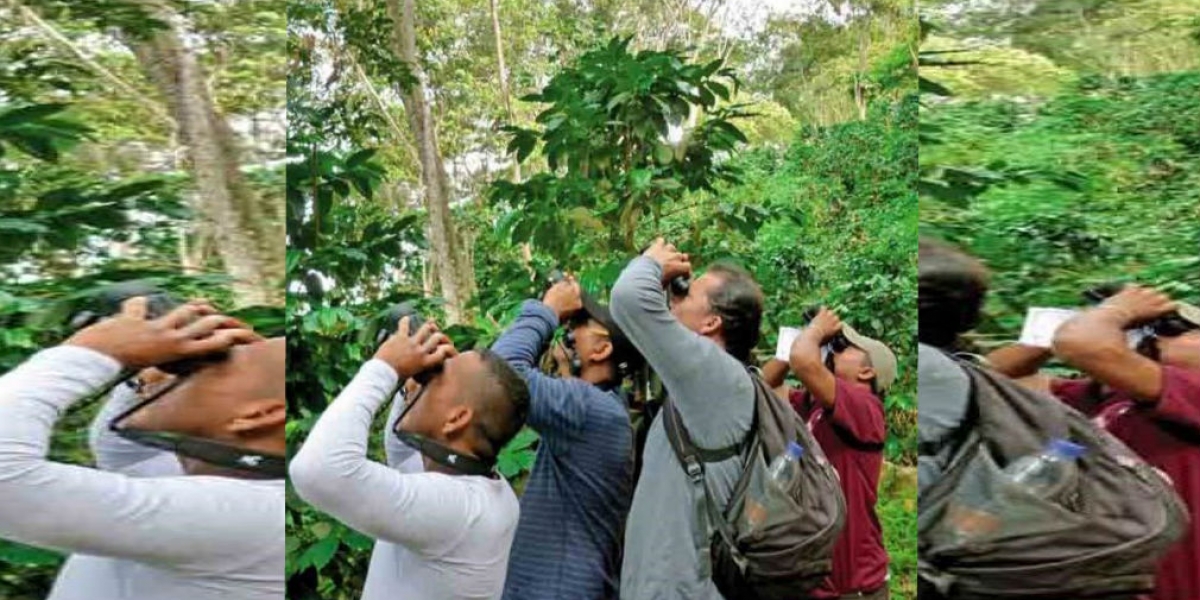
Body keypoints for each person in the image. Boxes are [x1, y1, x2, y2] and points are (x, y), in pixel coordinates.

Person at [0, 297, 284, 600]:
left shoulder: (257, 516)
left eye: (220, 361)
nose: (193, 361)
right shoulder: (241, 479)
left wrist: (94, 351)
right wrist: (145, 369)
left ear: (257, 416)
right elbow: (126, 454)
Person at [289, 317, 531, 600]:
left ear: (456, 419)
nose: (426, 376)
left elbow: (316, 471)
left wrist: (385, 366)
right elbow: (403, 457)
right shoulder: (486, 489)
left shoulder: (460, 510)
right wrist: (412, 385)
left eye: (437, 378)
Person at [985, 286, 1200, 600]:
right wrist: (1067, 329)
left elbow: (1081, 345)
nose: (1153, 336)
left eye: (1173, 329)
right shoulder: (1106, 398)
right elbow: (987, 381)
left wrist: (1116, 312)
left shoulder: (1192, 393)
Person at [609, 237, 763, 600]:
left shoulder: (717, 378)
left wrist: (653, 262)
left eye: (685, 294)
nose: (673, 298)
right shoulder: (707, 385)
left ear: (711, 322)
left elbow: (628, 298)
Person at [491, 275, 637, 600]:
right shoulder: (605, 408)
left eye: (581, 324)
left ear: (602, 349)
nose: (569, 330)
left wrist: (549, 311)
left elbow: (497, 373)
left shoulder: (587, 410)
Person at [762, 307, 896, 600]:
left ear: (867, 371)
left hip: (853, 586)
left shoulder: (866, 407)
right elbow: (765, 386)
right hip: (816, 580)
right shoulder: (816, 408)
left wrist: (815, 333)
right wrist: (796, 346)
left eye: (843, 347)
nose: (833, 350)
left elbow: (804, 362)